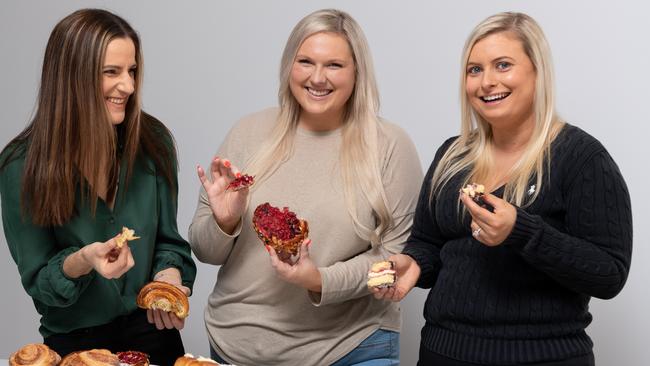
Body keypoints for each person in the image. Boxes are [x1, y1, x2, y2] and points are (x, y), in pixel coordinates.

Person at [374, 12, 633, 366]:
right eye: (474, 69)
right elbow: (428, 244)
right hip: (443, 352)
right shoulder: (452, 155)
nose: (486, 82)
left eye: (503, 65)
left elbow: (609, 274)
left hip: (544, 357)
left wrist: (521, 232)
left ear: (537, 72)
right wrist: (412, 263)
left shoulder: (582, 157)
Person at [189, 8, 422, 366]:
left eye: (334, 65)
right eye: (305, 61)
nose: (317, 77)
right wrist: (225, 223)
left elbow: (396, 258)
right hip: (237, 344)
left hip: (349, 347)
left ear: (357, 72)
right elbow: (206, 250)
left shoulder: (390, 145)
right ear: (289, 66)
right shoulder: (248, 132)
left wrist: (318, 279)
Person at [0, 9, 196, 365]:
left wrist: (168, 278)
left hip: (156, 336)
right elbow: (39, 283)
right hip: (77, 348)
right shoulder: (20, 166)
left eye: (132, 71)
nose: (129, 86)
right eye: (112, 72)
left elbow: (169, 242)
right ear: (72, 77)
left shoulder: (154, 142)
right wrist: (82, 261)